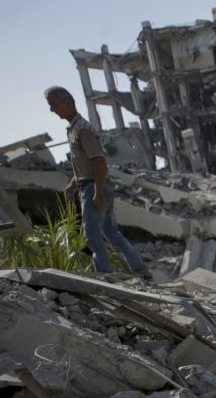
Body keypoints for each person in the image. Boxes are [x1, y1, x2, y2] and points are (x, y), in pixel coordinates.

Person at [44, 86, 152, 280]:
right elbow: (85, 164)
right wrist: (74, 184)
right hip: (92, 185)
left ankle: (105, 275)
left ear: (68, 102)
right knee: (112, 234)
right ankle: (142, 272)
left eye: (54, 104)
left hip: (94, 187)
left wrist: (98, 192)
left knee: (92, 235)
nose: (52, 110)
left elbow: (99, 162)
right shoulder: (74, 129)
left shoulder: (82, 130)